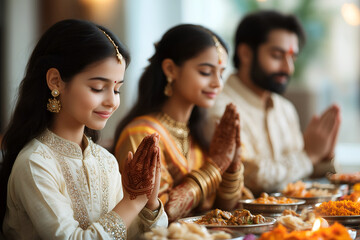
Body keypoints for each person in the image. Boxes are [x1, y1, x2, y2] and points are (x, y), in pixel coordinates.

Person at [0, 19, 167, 239]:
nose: (111, 101)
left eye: (117, 89)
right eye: (98, 88)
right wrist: (131, 202)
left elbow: (132, 234)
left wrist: (149, 203)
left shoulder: (105, 161)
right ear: (55, 81)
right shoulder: (35, 163)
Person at [113, 24, 247, 222]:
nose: (218, 83)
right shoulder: (142, 135)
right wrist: (215, 166)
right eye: (205, 72)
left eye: (221, 73)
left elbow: (226, 208)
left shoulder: (197, 132)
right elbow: (159, 216)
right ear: (170, 69)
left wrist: (232, 163)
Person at [206, 10, 341, 196]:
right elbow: (251, 177)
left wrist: (323, 156)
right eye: (277, 56)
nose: (288, 68)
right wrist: (309, 155)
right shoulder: (219, 107)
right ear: (245, 53)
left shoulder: (285, 109)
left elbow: (297, 175)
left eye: (292, 57)